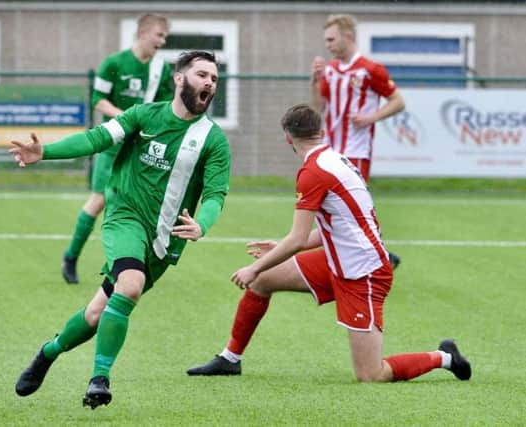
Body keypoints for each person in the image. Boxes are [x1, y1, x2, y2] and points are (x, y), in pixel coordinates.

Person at [187, 104, 471, 385]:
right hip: (339, 260)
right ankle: (230, 359)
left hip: (364, 272)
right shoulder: (335, 159)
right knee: (263, 280)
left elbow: (297, 239)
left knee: (371, 375)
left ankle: (444, 357)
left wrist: (254, 266)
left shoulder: (313, 172)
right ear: (321, 132)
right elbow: (328, 231)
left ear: (287, 137)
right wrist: (276, 251)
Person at [10, 51, 230, 409]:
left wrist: (202, 224)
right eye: (202, 74)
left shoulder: (214, 139)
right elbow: (97, 139)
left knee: (98, 314)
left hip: (163, 241)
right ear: (179, 79)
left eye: (214, 79)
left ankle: (47, 352)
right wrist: (44, 151)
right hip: (125, 218)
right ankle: (100, 379)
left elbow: (216, 194)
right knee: (130, 286)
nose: (209, 82)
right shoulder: (144, 115)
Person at [62, 13, 174, 284]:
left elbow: (165, 108)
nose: (162, 42)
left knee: (140, 204)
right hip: (113, 146)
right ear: (143, 33)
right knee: (99, 201)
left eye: (164, 37)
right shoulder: (114, 63)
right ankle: (71, 257)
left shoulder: (163, 71)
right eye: (159, 35)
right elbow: (97, 100)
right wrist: (127, 119)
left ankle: (129, 264)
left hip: (141, 149)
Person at [310, 14, 405, 269]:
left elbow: (398, 101)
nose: (327, 45)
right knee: (329, 205)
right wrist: (315, 80)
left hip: (356, 152)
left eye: (331, 39)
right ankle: (369, 256)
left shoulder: (370, 69)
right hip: (330, 150)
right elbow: (319, 107)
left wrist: (371, 117)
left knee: (354, 207)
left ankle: (376, 258)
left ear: (348, 37)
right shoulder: (330, 70)